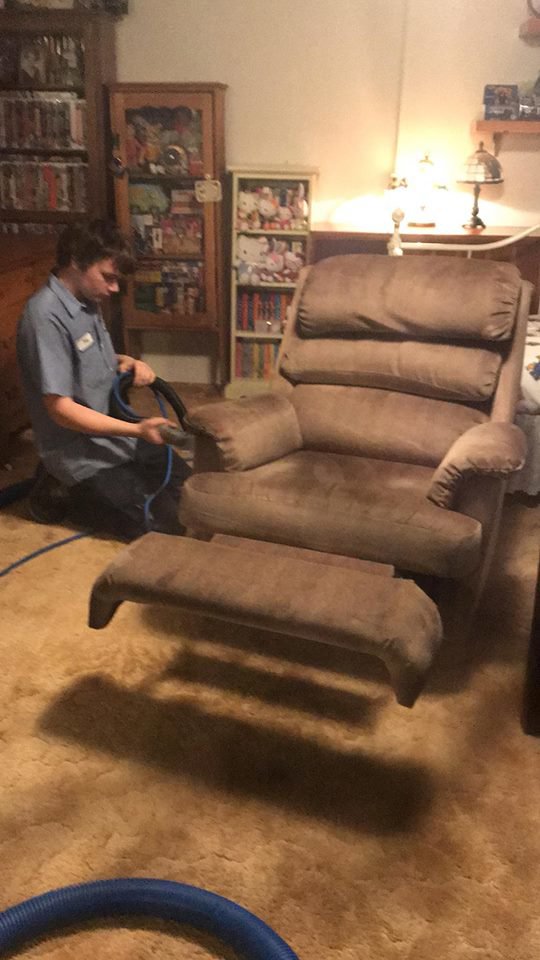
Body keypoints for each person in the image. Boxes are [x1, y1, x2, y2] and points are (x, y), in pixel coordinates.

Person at [16, 219, 191, 541]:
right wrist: (137, 429)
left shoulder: (88, 301)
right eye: (108, 277)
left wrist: (125, 362)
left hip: (112, 436)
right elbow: (60, 409)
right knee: (162, 526)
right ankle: (59, 489)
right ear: (75, 261)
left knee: (192, 494)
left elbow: (82, 360)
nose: (114, 288)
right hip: (77, 452)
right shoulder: (44, 317)